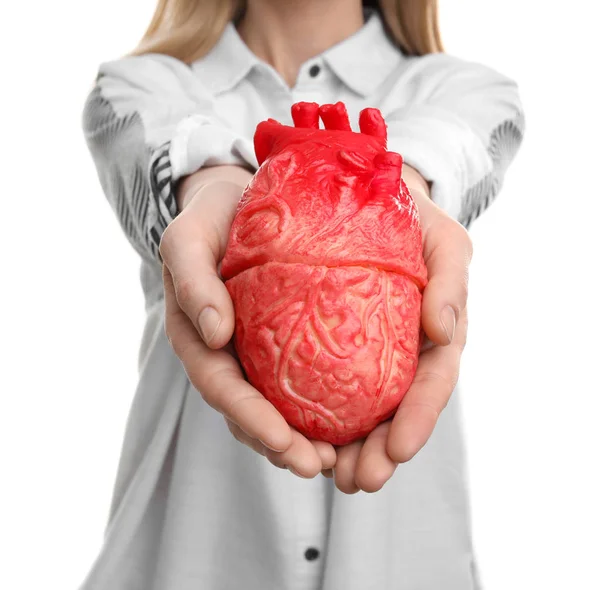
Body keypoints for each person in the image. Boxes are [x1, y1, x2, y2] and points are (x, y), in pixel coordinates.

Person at [81, 0, 524, 588]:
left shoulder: (467, 89)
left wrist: (398, 188)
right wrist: (212, 186)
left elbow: (451, 143)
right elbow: (160, 152)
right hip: (190, 559)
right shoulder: (141, 85)